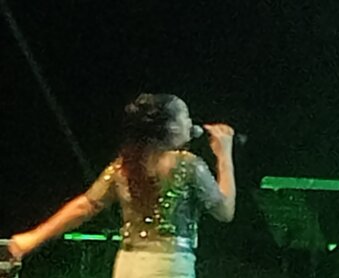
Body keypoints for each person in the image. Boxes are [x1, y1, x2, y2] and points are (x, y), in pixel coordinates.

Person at [6, 93, 236, 278]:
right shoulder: (187, 165)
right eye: (185, 117)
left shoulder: (123, 167)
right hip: (168, 265)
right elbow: (225, 211)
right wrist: (224, 156)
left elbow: (85, 206)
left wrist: (33, 237)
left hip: (128, 264)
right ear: (171, 127)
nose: (190, 123)